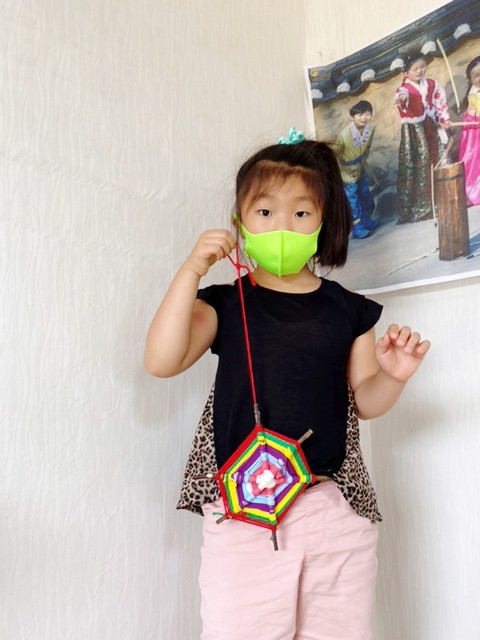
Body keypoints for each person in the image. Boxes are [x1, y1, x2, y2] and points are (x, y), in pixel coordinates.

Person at [144, 136, 431, 640]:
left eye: (301, 213)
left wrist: (393, 375)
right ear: (238, 222)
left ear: (323, 223)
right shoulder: (225, 302)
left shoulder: (350, 309)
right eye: (264, 211)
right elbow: (161, 361)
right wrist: (190, 270)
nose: (282, 226)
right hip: (243, 511)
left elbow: (365, 400)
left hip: (333, 509)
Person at [394, 53, 451, 223]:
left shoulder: (431, 84)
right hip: (414, 131)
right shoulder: (405, 89)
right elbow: (402, 97)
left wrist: (443, 118)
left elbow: (440, 100)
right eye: (415, 69)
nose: (420, 71)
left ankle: (442, 199)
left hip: (431, 126)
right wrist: (402, 99)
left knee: (438, 157)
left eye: (422, 67)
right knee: (420, 162)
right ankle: (420, 207)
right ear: (406, 72)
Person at [330, 100, 378, 239]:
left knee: (365, 194)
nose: (364, 118)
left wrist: (364, 157)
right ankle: (357, 227)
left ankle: (366, 219)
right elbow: (334, 151)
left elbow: (367, 146)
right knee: (352, 199)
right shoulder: (344, 135)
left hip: (360, 167)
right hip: (347, 171)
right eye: (360, 115)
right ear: (352, 117)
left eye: (367, 114)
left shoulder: (370, 129)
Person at [458, 56, 480, 206]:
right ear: (470, 80)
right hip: (476, 134)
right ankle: (474, 190)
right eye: (476, 75)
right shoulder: (474, 95)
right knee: (474, 161)